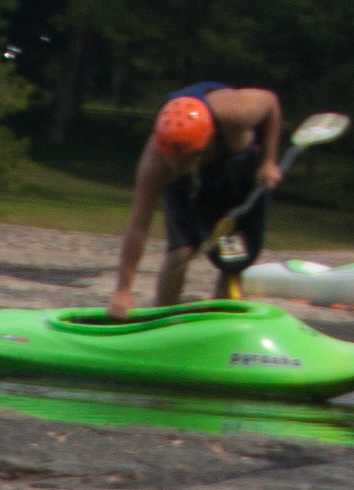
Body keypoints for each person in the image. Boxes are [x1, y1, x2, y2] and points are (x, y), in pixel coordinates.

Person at [104, 81, 287, 315]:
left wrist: (269, 161)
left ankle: (222, 321)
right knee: (180, 253)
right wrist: (123, 290)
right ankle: (163, 321)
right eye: (171, 159)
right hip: (188, 180)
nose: (175, 166)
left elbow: (271, 102)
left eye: (184, 160)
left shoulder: (235, 112)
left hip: (236, 169)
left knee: (232, 256)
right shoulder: (157, 163)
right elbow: (139, 224)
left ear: (206, 142)